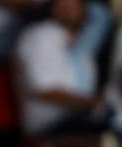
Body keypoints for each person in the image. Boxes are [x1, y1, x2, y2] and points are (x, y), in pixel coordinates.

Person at [14, 0, 107, 137]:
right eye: (64, 4)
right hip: (48, 123)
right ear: (52, 8)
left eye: (76, 5)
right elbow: (43, 90)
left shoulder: (82, 46)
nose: (71, 9)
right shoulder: (39, 36)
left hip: (80, 117)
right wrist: (91, 103)